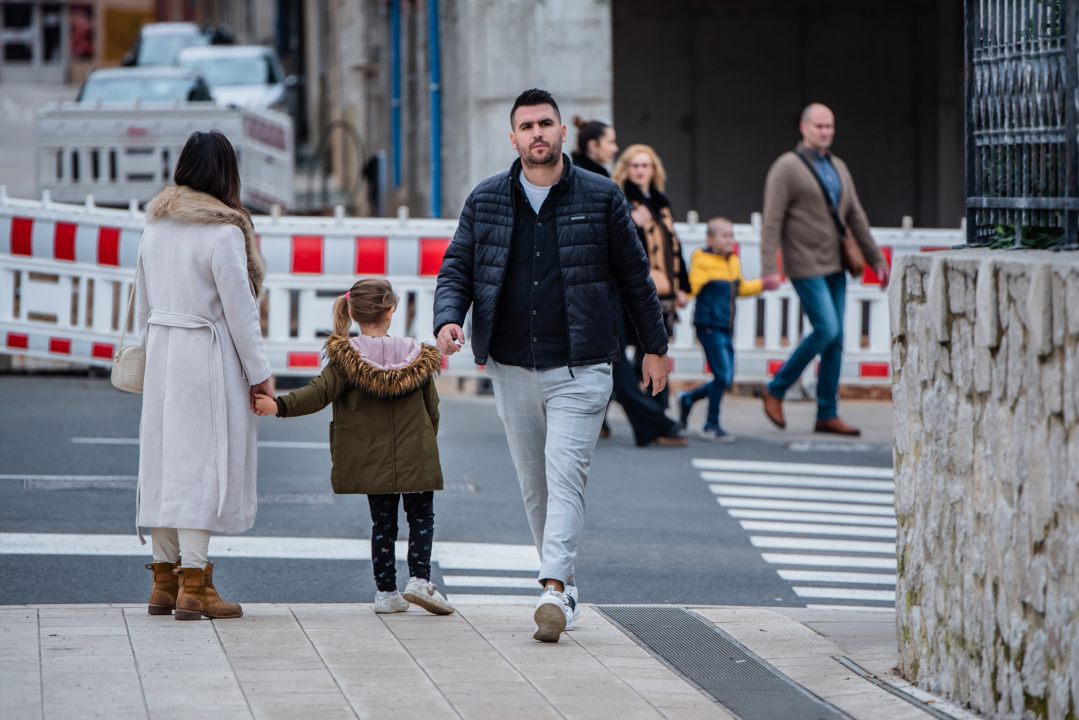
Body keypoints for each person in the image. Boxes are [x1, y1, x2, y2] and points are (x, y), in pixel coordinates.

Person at [433, 88, 669, 643]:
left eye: (547, 123)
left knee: (566, 476)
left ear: (563, 133)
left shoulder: (601, 196)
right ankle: (562, 584)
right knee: (536, 486)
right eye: (527, 126)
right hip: (511, 366)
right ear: (513, 138)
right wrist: (449, 318)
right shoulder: (486, 199)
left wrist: (654, 346)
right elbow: (457, 267)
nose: (538, 133)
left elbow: (636, 276)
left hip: (582, 365)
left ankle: (552, 587)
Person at [254, 279, 454, 615]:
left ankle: (386, 593)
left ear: (351, 313)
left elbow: (317, 393)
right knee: (421, 517)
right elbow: (431, 410)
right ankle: (420, 580)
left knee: (383, 525)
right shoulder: (417, 357)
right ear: (391, 312)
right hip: (416, 454)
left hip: (370, 460)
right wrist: (427, 443)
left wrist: (279, 405)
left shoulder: (345, 360)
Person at [137, 130, 272, 621]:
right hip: (206, 358)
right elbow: (241, 313)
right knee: (200, 469)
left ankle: (162, 581)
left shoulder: (155, 226)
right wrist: (259, 373)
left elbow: (142, 304)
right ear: (226, 175)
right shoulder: (224, 232)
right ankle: (195, 584)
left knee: (163, 463)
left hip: (163, 355)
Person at [759, 103, 890, 436]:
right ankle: (776, 387)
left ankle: (826, 413)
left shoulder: (839, 167)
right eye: (819, 126)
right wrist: (767, 267)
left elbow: (856, 216)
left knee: (837, 341)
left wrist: (876, 260)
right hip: (804, 263)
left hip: (835, 265)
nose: (825, 132)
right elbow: (771, 221)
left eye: (829, 126)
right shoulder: (786, 167)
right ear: (803, 128)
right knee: (827, 329)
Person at [612, 144, 690, 411]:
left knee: (655, 349)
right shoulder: (620, 199)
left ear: (654, 169)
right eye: (634, 165)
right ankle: (653, 409)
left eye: (645, 165)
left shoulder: (660, 202)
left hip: (663, 290)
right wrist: (631, 222)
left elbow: (674, 247)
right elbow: (615, 243)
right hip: (633, 291)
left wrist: (682, 286)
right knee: (642, 351)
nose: (640, 170)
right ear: (625, 169)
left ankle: (655, 408)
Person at [677, 218, 763, 441]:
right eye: (724, 235)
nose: (730, 240)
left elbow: (740, 288)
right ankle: (711, 424)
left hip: (725, 326)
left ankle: (688, 399)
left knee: (726, 377)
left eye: (732, 235)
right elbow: (693, 285)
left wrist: (763, 284)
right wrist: (683, 297)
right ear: (710, 239)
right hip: (708, 325)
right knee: (722, 375)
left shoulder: (732, 261)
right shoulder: (703, 260)